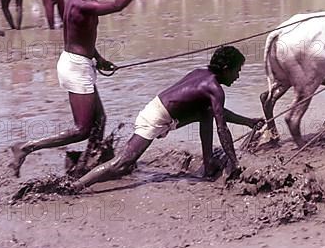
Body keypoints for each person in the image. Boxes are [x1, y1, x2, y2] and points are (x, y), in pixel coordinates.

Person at [10, 0, 151, 178]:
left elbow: (81, 37)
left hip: (79, 63)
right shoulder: (83, 4)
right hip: (76, 68)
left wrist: (99, 58)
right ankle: (26, 147)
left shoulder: (75, 0)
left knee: (100, 120)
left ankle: (88, 162)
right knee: (82, 129)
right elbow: (117, 5)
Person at [73, 46, 264, 190]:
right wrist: (235, 162)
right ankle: (75, 186)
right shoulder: (215, 89)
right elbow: (222, 128)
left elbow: (218, 113)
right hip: (154, 118)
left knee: (207, 111)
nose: (238, 76)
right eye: (237, 70)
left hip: (159, 112)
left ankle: (208, 164)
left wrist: (247, 122)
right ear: (225, 68)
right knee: (122, 163)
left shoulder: (201, 73)